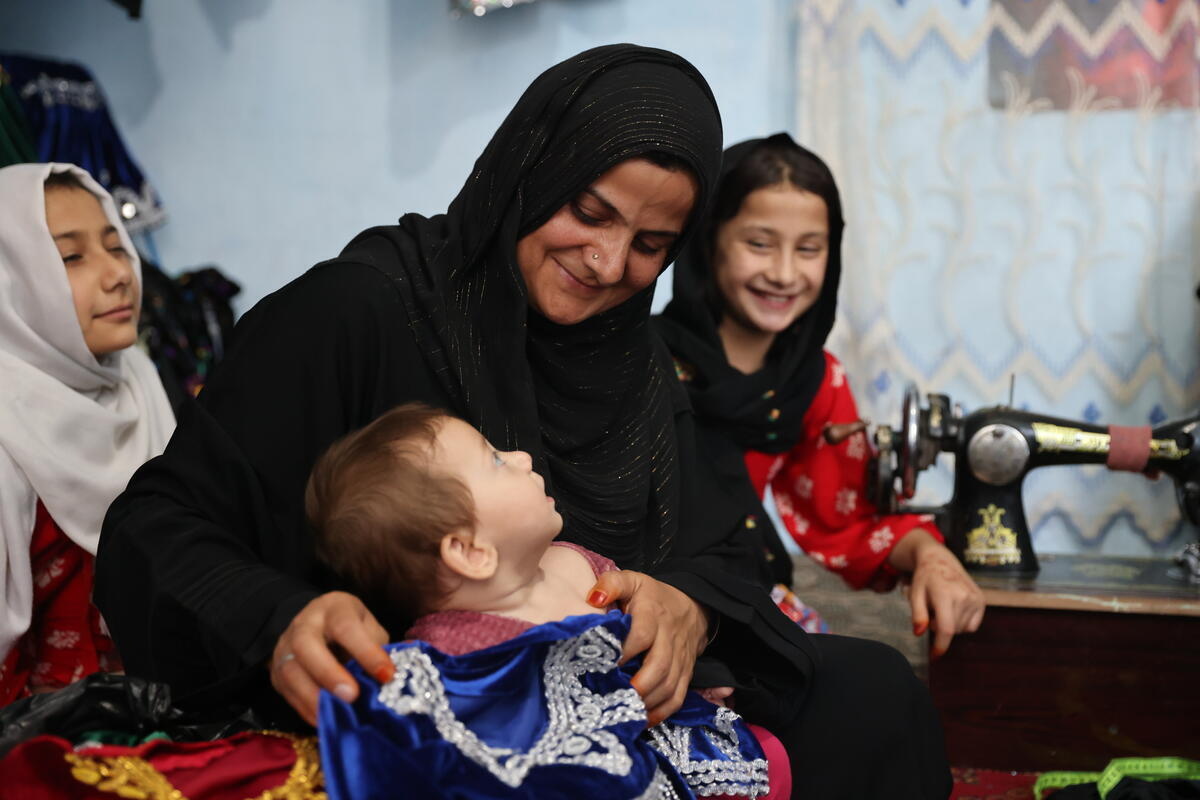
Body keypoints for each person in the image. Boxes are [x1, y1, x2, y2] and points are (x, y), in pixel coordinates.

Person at [96, 46, 951, 798]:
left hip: (607, 713)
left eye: (651, 244)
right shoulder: (356, 314)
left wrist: (683, 606)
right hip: (399, 718)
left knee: (871, 693)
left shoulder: (636, 361)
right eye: (589, 211)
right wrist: (280, 618)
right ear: (528, 172)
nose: (611, 264)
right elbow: (156, 527)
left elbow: (718, 542)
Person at [307, 401, 786, 799]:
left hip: (664, 731)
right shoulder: (457, 654)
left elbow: (652, 634)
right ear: (470, 551)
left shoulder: (577, 563)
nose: (520, 456)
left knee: (771, 758)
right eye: (495, 460)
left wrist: (690, 671)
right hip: (576, 775)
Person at [654, 133, 984, 658]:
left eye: (809, 249)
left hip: (747, 601)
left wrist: (930, 556)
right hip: (650, 607)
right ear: (708, 238)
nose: (785, 273)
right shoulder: (640, 361)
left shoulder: (814, 382)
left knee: (886, 687)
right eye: (759, 243)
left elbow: (846, 521)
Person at [0, 163, 174, 705]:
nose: (117, 273)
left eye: (115, 245)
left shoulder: (138, 379)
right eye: (71, 256)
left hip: (153, 706)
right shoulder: (8, 421)